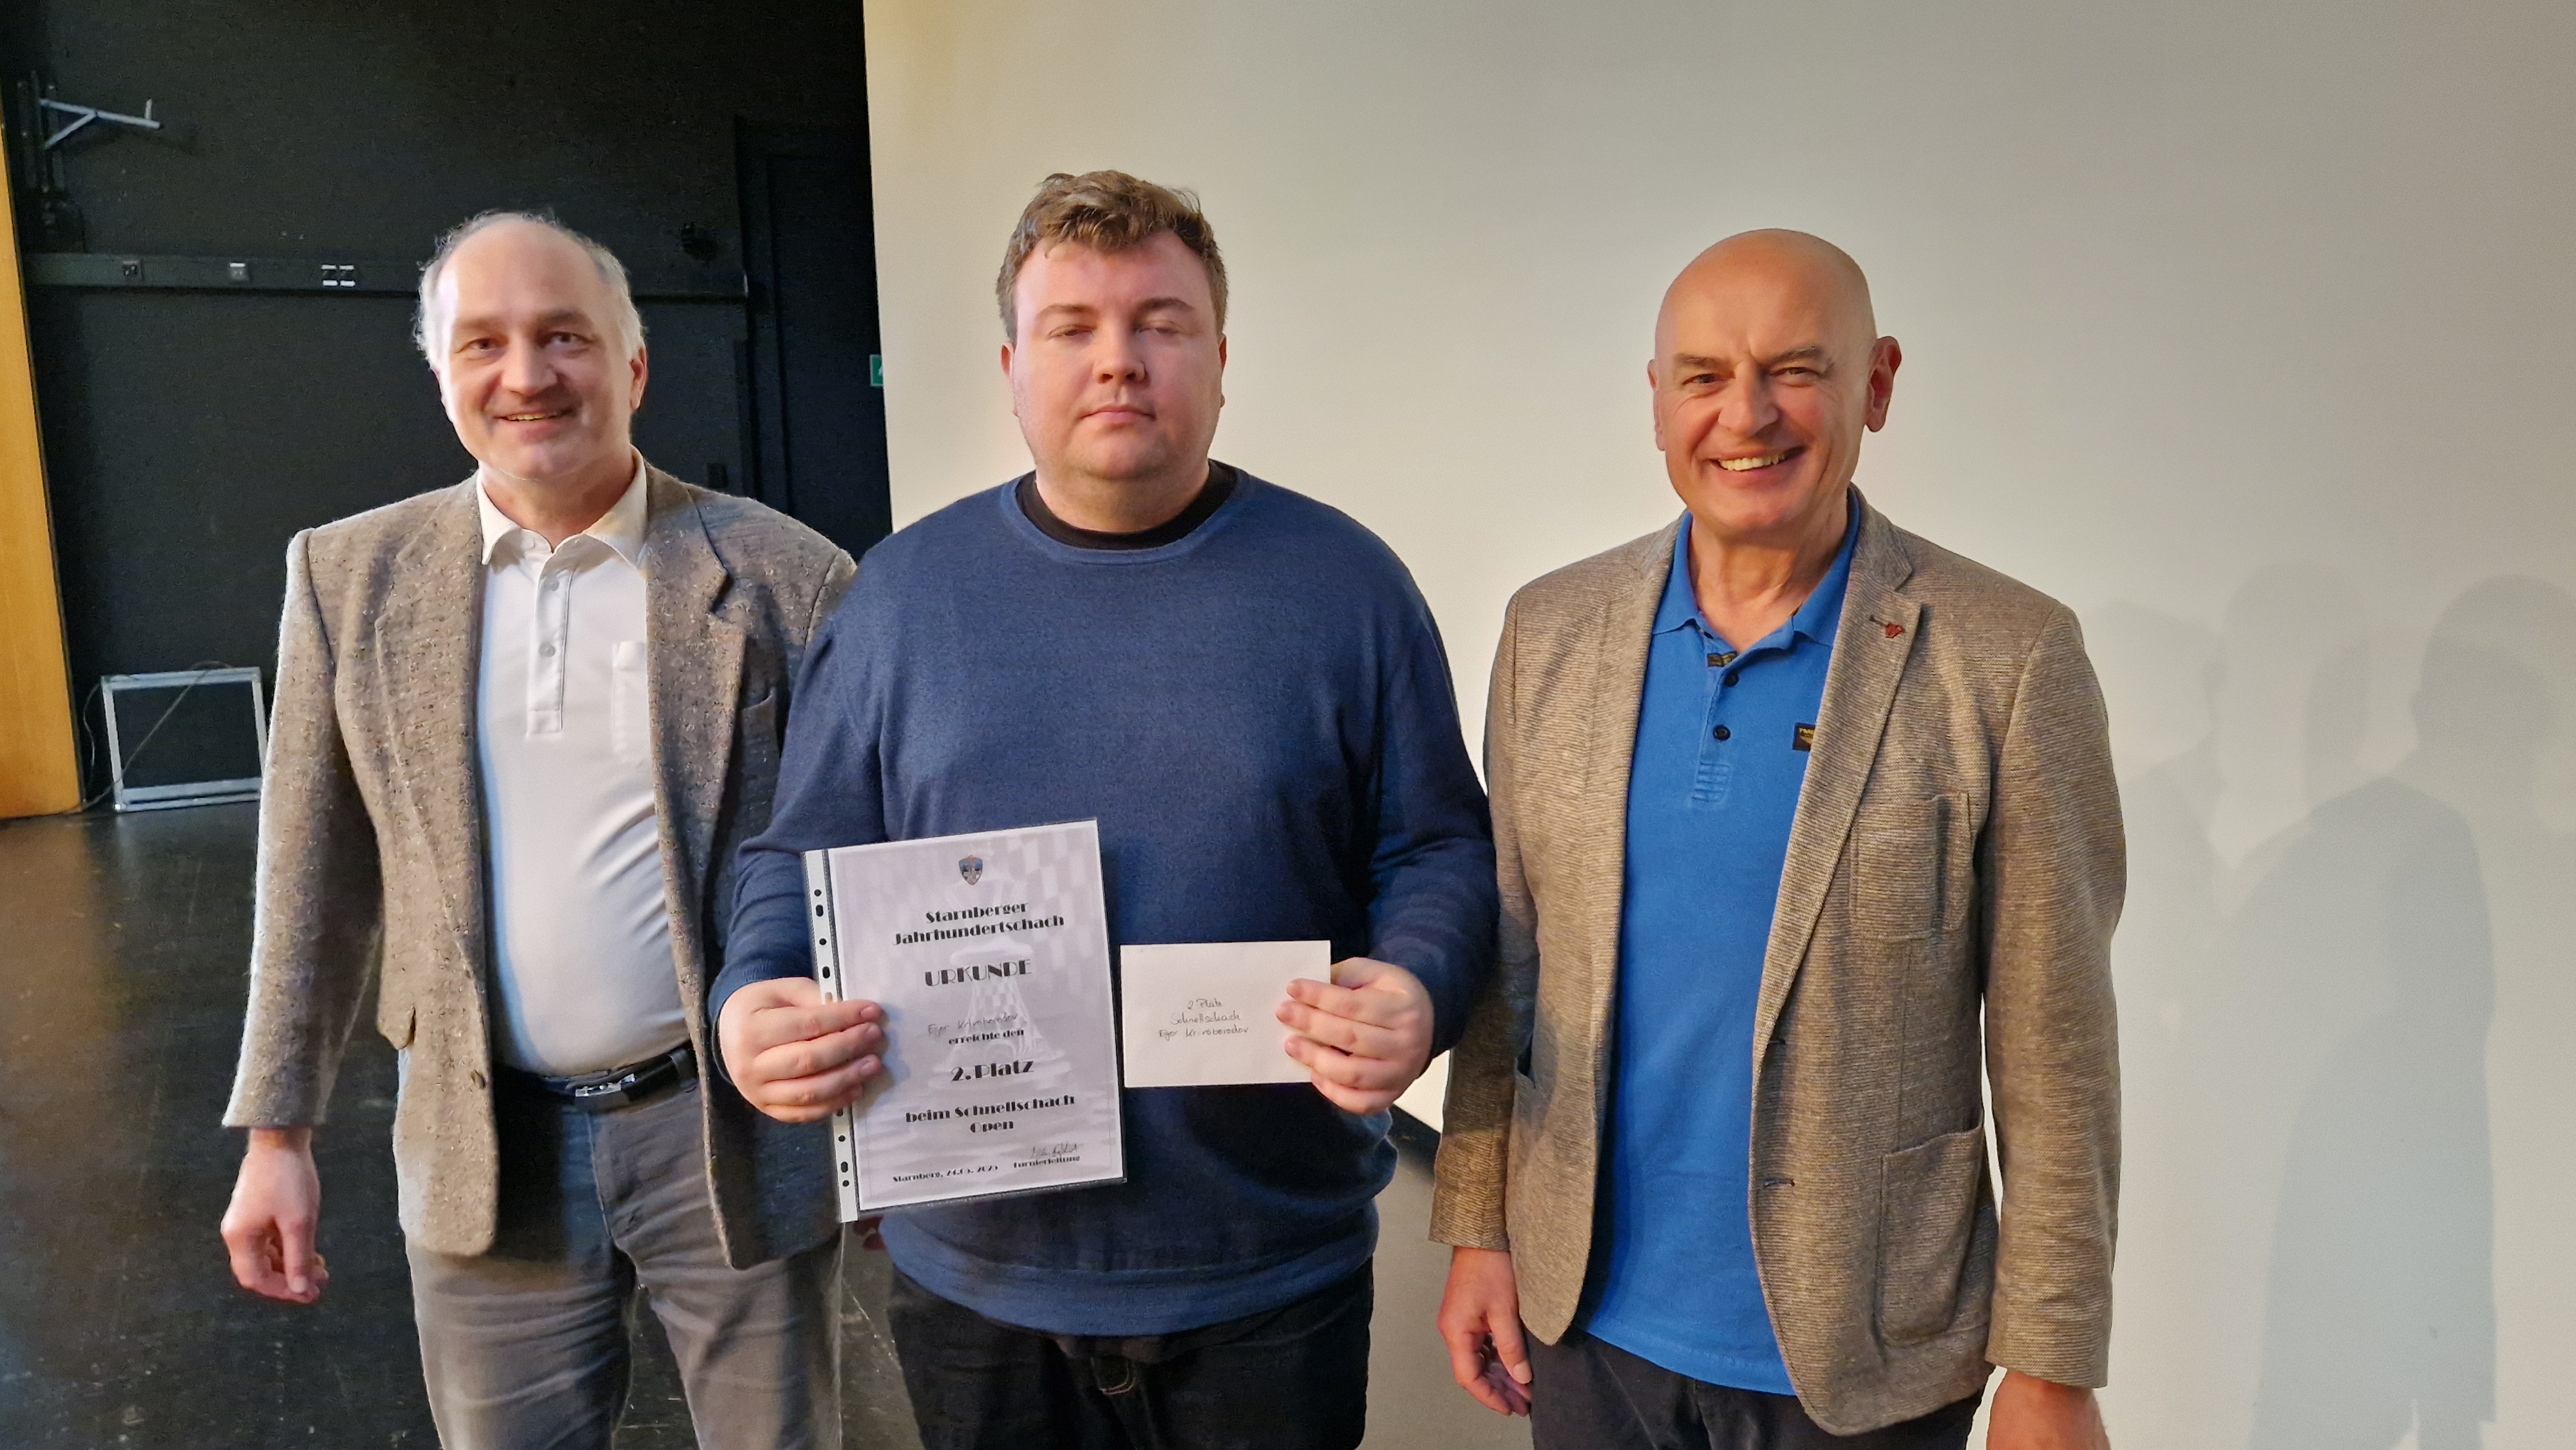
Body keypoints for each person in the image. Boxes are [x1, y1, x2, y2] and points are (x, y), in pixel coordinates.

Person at [712, 170, 1496, 1450]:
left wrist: (1418, 983)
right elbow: (799, 852)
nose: (1118, 360)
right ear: (1013, 368)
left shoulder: (1347, 588)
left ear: (1220, 360)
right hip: (980, 1275)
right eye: (1072, 327)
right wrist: (752, 996)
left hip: (1267, 1268)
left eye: (1160, 324)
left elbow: (1438, 846)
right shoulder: (901, 599)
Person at [1432, 231, 2122, 1450]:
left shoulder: (2007, 658)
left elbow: (2053, 1043)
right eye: (1704, 376)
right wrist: (1479, 1223)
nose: (1745, 415)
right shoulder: (1551, 631)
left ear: (1878, 383)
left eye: (1795, 370)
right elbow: (1513, 969)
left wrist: (2052, 1363)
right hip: (1587, 1329)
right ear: (1659, 401)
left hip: (1867, 1351)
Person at [218, 211, 856, 1449]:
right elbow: (310, 880)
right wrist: (276, 1135)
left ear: (634, 365)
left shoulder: (789, 576)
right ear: (441, 375)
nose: (527, 375)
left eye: (565, 336)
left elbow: (856, 856)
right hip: (481, 1139)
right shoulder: (348, 579)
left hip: (731, 1133)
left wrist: (898, 1133)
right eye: (484, 343)